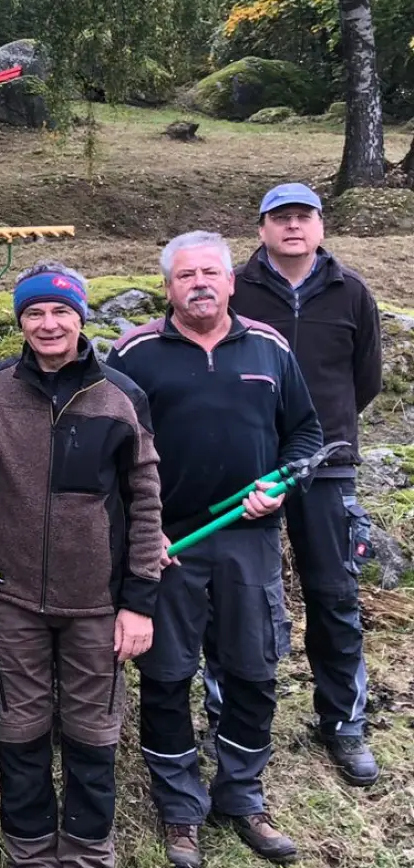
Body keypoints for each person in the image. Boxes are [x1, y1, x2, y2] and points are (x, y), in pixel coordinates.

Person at [0, 263, 162, 868]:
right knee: (20, 728)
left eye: (61, 312)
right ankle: (28, 849)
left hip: (97, 600)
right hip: (12, 595)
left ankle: (86, 851)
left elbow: (145, 500)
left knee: (92, 730)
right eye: (34, 313)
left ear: (80, 317)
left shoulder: (120, 395)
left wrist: (139, 601)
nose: (48, 324)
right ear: (21, 321)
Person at [106, 232, 322, 867]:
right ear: (166, 286)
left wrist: (281, 485)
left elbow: (306, 433)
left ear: (231, 281)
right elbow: (109, 455)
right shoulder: (135, 353)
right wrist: (142, 534)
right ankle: (179, 810)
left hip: (249, 542)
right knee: (168, 677)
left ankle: (243, 796)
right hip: (168, 545)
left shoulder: (270, 347)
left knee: (254, 672)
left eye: (210, 272)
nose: (198, 283)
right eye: (184, 275)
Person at [221, 183, 382, 786]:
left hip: (328, 464)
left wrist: (323, 431)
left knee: (334, 595)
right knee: (237, 595)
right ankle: (227, 715)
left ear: (320, 225)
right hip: (252, 464)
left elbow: (365, 378)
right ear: (261, 227)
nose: (293, 227)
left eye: (303, 217)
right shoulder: (238, 286)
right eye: (280, 217)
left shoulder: (352, 292)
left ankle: (343, 722)